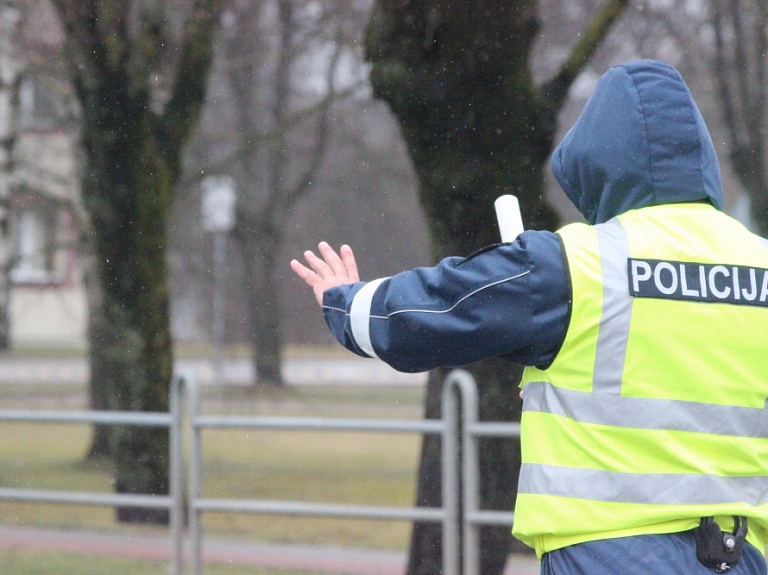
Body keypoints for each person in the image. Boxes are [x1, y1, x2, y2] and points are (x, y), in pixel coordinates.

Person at [290, 60, 768, 574]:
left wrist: (343, 300)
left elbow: (425, 316)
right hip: (742, 556)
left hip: (607, 553)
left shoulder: (574, 264)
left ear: (601, 161)